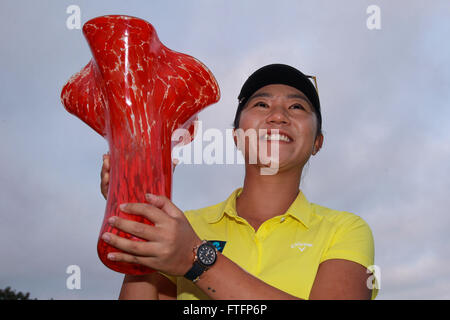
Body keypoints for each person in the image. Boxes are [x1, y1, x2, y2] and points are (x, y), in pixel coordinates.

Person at [99, 64, 377, 300]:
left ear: (318, 142)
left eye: (296, 106)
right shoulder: (183, 227)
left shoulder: (346, 230)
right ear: (236, 136)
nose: (278, 115)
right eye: (261, 104)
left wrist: (194, 258)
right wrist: (136, 216)